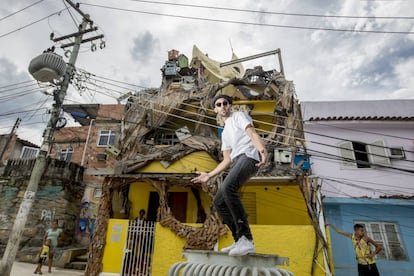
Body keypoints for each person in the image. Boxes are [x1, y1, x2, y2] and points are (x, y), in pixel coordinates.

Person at [191, 94, 267, 256]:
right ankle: (239, 239)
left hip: (249, 156)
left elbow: (252, 133)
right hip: (237, 160)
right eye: (219, 104)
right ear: (215, 109)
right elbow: (226, 160)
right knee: (219, 201)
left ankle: (247, 238)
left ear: (230, 106)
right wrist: (209, 175)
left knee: (228, 189)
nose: (223, 106)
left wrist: (261, 148)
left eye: (225, 103)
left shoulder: (239, 116)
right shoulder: (225, 133)